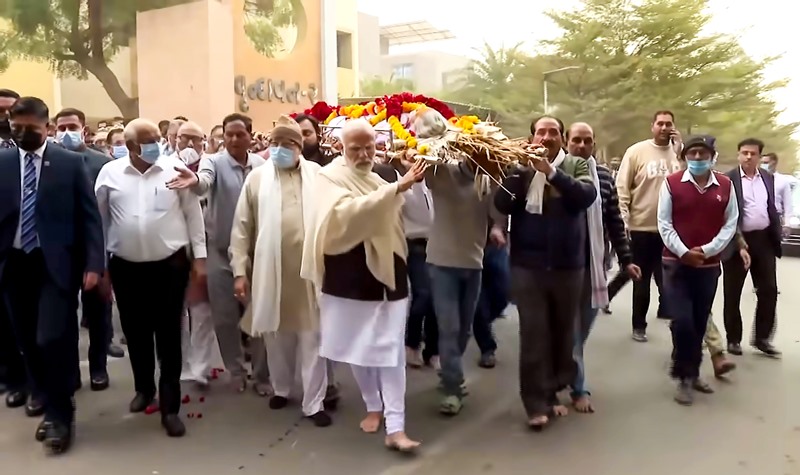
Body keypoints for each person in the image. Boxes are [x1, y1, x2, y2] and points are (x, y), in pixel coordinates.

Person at [301, 118, 425, 451]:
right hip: (347, 275)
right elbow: (343, 217)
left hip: (389, 273)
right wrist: (394, 190)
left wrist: (411, 181)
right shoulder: (328, 177)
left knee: (391, 352)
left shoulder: (384, 174)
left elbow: (421, 219)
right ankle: (373, 405)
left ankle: (396, 428)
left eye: (369, 146)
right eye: (355, 148)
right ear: (341, 147)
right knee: (356, 346)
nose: (363, 154)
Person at [0, 96, 104, 454]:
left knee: (51, 339)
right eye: (17, 128)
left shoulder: (70, 164)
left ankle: (61, 417)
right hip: (13, 266)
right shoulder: (2, 162)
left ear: (46, 127)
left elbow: (90, 217)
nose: (23, 134)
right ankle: (46, 399)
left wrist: (94, 264)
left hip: (55, 265)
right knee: (28, 341)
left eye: (31, 128)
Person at [95, 118, 207, 437]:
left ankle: (170, 407)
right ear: (130, 146)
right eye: (148, 140)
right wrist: (100, 265)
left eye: (157, 138)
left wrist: (200, 260)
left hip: (170, 266)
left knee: (169, 334)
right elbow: (100, 223)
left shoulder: (174, 170)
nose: (155, 145)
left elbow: (193, 216)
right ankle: (144, 388)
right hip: (126, 267)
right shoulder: (110, 174)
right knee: (136, 332)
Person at [493, 116, 597, 430]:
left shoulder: (576, 165)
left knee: (563, 333)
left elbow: (585, 197)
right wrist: (521, 171)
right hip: (528, 267)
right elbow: (502, 203)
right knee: (534, 334)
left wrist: (551, 172)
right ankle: (535, 403)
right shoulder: (519, 168)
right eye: (541, 132)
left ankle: (553, 391)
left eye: (553, 132)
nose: (547, 137)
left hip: (568, 267)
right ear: (533, 137)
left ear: (562, 138)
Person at [228, 115, 331, 426]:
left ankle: (314, 402)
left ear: (299, 147)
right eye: (274, 143)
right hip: (271, 272)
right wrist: (239, 271)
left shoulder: (318, 175)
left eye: (287, 144)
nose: (279, 149)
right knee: (277, 336)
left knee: (313, 338)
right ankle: (282, 388)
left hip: (311, 273)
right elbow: (241, 228)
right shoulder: (257, 178)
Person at [167, 113, 271, 395]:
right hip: (220, 252)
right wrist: (194, 180)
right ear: (222, 137)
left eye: (240, 134)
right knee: (225, 318)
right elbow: (204, 181)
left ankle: (262, 375)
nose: (234, 139)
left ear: (250, 136)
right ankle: (236, 371)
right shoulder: (213, 162)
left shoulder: (263, 166)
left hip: (256, 254)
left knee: (259, 317)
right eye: (229, 135)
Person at [564, 122, 640, 413]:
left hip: (593, 267)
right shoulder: (557, 175)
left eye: (587, 141)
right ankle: (577, 387)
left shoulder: (604, 177)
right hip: (561, 269)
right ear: (567, 143)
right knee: (570, 333)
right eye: (576, 141)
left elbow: (614, 221)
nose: (581, 146)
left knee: (580, 331)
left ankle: (566, 372)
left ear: (593, 144)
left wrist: (627, 259)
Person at [657, 136, 738, 405]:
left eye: (703, 154)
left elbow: (731, 223)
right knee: (683, 322)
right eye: (693, 154)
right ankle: (684, 375)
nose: (698, 158)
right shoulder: (671, 184)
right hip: (675, 264)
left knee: (700, 321)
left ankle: (690, 373)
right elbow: (664, 223)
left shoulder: (725, 186)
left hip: (709, 265)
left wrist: (707, 250)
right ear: (684, 157)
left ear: (712, 157)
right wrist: (684, 252)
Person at [54, 107, 126, 393]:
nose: (67, 132)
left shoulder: (101, 163)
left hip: (95, 247)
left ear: (83, 128)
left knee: (98, 313)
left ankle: (98, 367)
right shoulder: (51, 161)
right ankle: (71, 372)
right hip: (61, 250)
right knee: (64, 316)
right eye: (61, 127)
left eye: (72, 126)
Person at [424, 133, 493, 416]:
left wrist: (499, 229)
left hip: (473, 263)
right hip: (442, 264)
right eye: (475, 153)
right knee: (449, 327)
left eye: (485, 155)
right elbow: (423, 162)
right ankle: (453, 388)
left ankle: (450, 372)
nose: (479, 159)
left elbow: (500, 212)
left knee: (463, 329)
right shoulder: (443, 173)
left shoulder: (489, 181)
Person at [615, 111, 683, 342]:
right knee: (640, 280)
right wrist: (623, 219)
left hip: (671, 229)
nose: (664, 128)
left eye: (668, 124)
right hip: (641, 227)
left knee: (671, 278)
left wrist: (680, 150)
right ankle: (638, 325)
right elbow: (622, 187)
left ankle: (674, 317)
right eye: (660, 124)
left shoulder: (678, 154)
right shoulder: (636, 152)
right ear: (652, 126)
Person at [721, 139, 783, 357]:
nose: (748, 157)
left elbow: (770, 206)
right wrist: (738, 242)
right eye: (744, 153)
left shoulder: (767, 177)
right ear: (738, 155)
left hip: (764, 240)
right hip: (737, 240)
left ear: (759, 157)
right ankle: (733, 339)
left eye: (753, 154)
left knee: (769, 291)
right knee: (732, 293)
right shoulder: (728, 179)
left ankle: (762, 338)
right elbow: (725, 215)